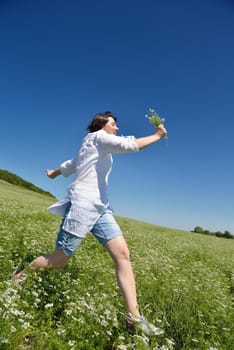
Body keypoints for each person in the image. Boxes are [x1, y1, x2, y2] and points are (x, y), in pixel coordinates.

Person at [13, 111, 167, 335]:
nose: (116, 128)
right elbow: (129, 145)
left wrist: (53, 174)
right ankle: (19, 276)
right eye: (113, 124)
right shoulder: (97, 138)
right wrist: (157, 135)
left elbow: (72, 164)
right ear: (101, 126)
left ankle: (133, 318)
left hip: (100, 209)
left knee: (123, 254)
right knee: (58, 260)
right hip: (83, 206)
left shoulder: (93, 146)